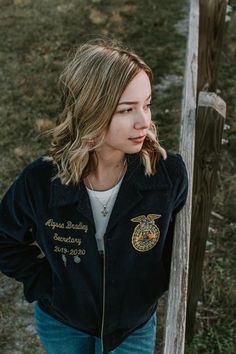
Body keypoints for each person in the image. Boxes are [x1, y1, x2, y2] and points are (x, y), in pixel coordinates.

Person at [0, 40, 188, 354]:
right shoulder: (42, 182)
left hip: (132, 329)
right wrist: (45, 284)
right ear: (91, 110)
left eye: (147, 104)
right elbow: (4, 237)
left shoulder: (166, 176)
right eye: (127, 110)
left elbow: (176, 243)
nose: (143, 121)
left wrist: (149, 287)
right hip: (63, 324)